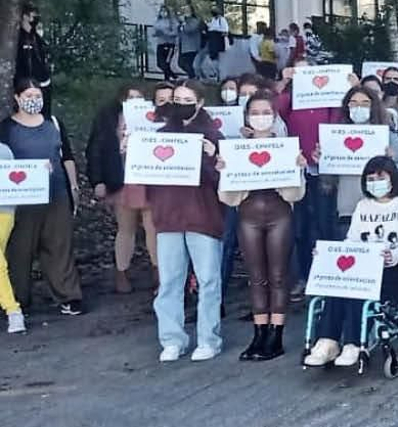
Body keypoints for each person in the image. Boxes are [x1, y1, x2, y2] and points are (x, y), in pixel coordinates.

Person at [304, 157, 398, 367]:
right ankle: (328, 341)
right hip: (362, 267)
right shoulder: (363, 206)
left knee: (359, 288)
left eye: (380, 177)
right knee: (339, 285)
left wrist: (396, 255)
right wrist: (327, 254)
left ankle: (354, 342)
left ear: (392, 179)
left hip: (391, 268)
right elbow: (351, 240)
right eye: (371, 178)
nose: (375, 182)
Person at [219, 90, 304, 361]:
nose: (260, 118)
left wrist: (297, 168)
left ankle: (276, 334)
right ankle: (258, 332)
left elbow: (295, 194)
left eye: (266, 112)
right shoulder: (237, 148)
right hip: (248, 214)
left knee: (278, 275)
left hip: (279, 212)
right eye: (254, 113)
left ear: (275, 116)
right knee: (256, 276)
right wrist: (226, 171)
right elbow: (228, 197)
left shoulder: (286, 146)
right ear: (246, 117)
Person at [147, 82, 225, 361]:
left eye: (187, 99)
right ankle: (172, 338)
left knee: (208, 280)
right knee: (169, 281)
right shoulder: (160, 136)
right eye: (176, 99)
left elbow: (224, 182)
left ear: (200, 102)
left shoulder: (214, 136)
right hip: (168, 216)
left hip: (202, 216)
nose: (180, 104)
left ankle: (209, 338)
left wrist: (211, 157)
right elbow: (145, 176)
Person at [2, 78, 82, 316]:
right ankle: (17, 299)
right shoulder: (5, 128)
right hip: (20, 199)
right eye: (28, 96)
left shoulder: (54, 124)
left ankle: (69, 296)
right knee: (19, 250)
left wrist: (74, 187)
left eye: (37, 95)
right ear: (16, 98)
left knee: (60, 246)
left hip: (55, 194)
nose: (33, 100)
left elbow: (66, 156)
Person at [277, 62, 346, 301]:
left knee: (325, 224)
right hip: (297, 172)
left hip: (324, 172)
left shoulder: (329, 99)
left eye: (308, 70)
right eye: (298, 70)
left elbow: (338, 125)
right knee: (300, 228)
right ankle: (304, 277)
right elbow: (274, 108)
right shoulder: (290, 98)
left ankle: (328, 277)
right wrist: (284, 81)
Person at [87, 84, 162, 294]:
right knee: (125, 229)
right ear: (121, 99)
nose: (135, 102)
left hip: (149, 180)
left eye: (139, 97)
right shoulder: (108, 118)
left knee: (153, 229)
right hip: (121, 180)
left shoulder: (153, 118)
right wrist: (97, 180)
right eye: (130, 98)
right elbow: (96, 149)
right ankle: (122, 273)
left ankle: (159, 273)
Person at [326, 87, 398, 237]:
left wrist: (392, 160)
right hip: (348, 212)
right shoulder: (335, 137)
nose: (359, 107)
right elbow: (328, 184)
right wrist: (323, 162)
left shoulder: (386, 134)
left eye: (365, 103)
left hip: (383, 214)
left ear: (373, 106)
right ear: (346, 106)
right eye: (354, 103)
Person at [0, 140, 23, 333]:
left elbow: (14, 183)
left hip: (3, 212)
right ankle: (13, 310)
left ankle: (13, 311)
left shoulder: (4, 151)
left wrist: (41, 172)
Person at [16, 1, 53, 115]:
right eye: (32, 16)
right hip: (27, 86)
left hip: (43, 84)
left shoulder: (36, 37)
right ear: (24, 17)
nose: (34, 20)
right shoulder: (18, 38)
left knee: (44, 114)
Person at [153, 7, 180, 81]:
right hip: (160, 44)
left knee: (166, 63)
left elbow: (175, 33)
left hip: (169, 44)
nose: (163, 13)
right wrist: (156, 33)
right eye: (162, 11)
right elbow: (154, 32)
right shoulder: (158, 21)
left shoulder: (172, 21)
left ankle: (167, 79)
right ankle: (174, 76)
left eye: (165, 11)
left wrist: (166, 33)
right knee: (160, 63)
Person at [178, 7, 203, 78]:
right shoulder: (183, 22)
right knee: (181, 63)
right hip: (184, 46)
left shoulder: (195, 21)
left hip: (192, 47)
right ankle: (193, 76)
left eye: (187, 11)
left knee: (189, 64)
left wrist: (183, 22)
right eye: (184, 11)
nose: (185, 12)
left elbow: (189, 30)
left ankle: (193, 77)